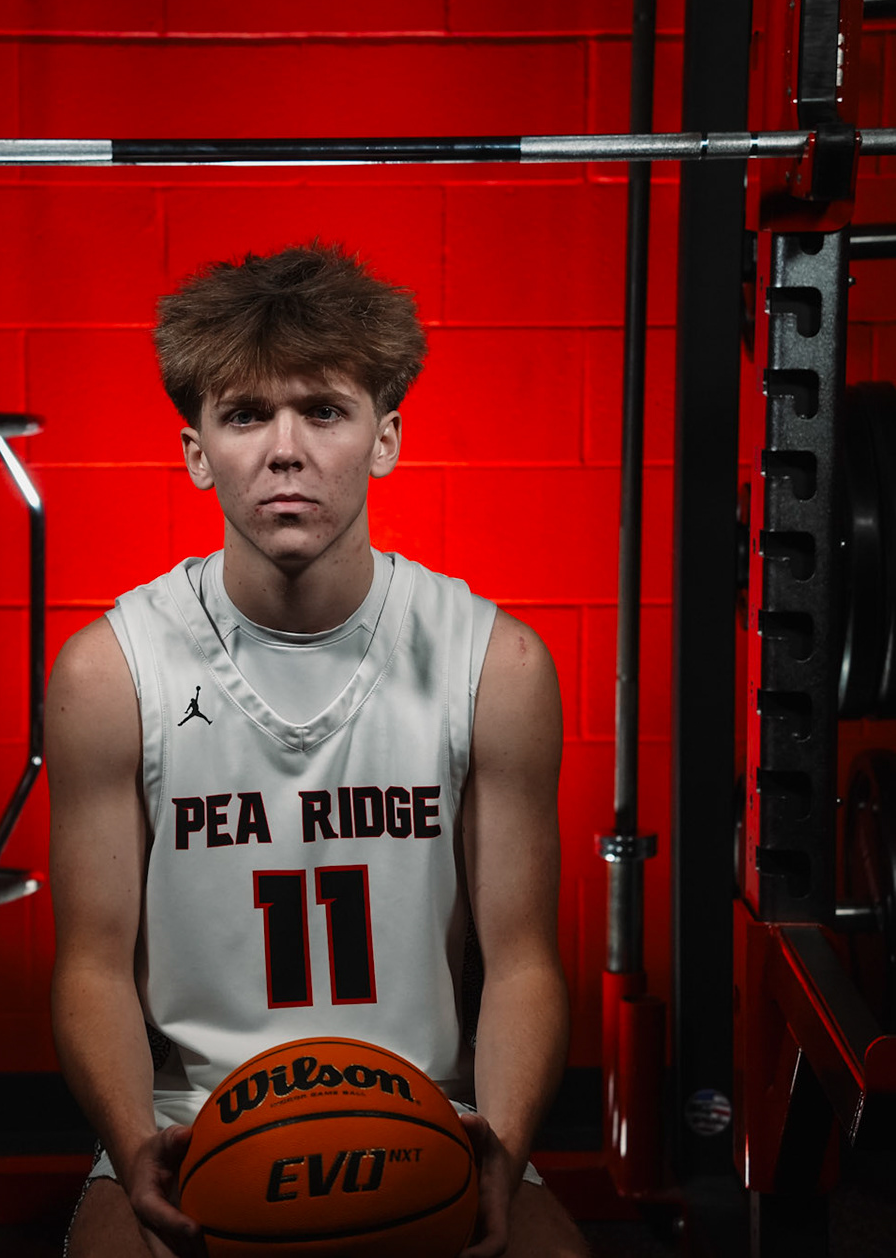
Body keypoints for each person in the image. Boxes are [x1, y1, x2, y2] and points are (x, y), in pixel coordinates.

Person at [47, 243, 586, 1258]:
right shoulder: (111, 674)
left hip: (431, 1115)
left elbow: (521, 961)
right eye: (247, 414)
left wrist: (501, 1155)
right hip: (195, 1120)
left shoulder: (495, 663)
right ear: (197, 451)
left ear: (385, 438)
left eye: (324, 411)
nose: (285, 451)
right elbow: (91, 968)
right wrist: (133, 1145)